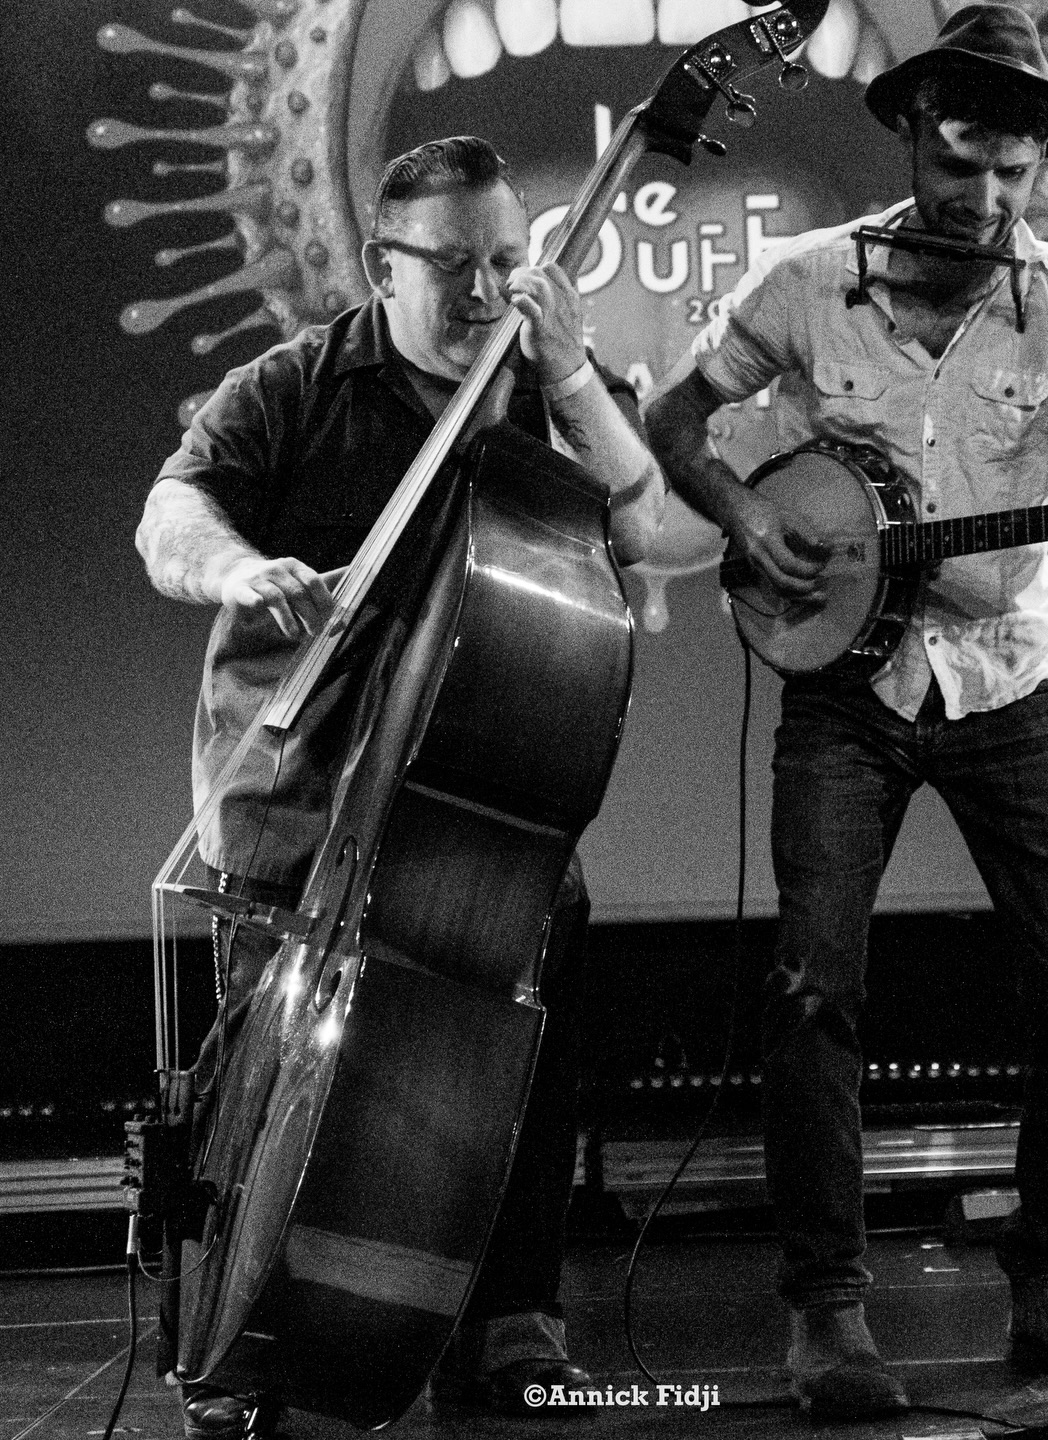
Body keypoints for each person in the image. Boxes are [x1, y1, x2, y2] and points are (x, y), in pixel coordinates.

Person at [646, 3, 1048, 1420]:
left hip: (1012, 674)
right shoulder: (804, 281)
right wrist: (743, 519)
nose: (985, 197)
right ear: (913, 133)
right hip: (845, 684)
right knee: (812, 991)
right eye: (961, 163)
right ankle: (826, 1312)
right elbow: (672, 423)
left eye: (1013, 173)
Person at [136, 135, 666, 1437]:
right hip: (296, 801)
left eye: (508, 260)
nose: (487, 290)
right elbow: (171, 517)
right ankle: (242, 1341)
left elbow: (652, 529)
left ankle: (513, 1327)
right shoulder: (293, 387)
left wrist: (568, 373)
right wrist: (237, 570)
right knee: (264, 1096)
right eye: (454, 265)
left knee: (513, 1059)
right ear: (383, 267)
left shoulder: (550, 386)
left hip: (473, 803)